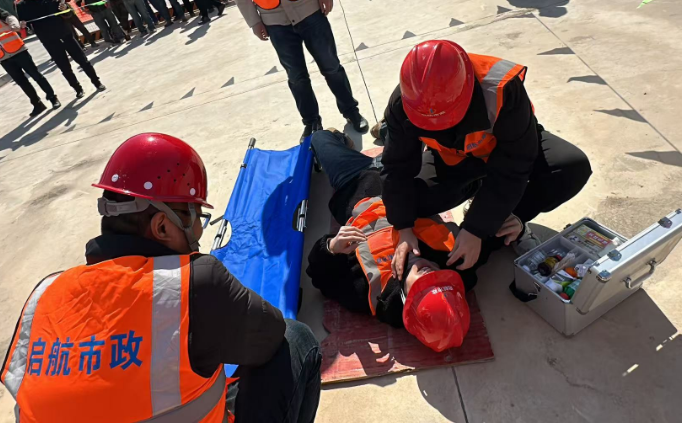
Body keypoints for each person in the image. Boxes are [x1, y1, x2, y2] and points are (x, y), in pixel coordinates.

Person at [0, 133, 322, 422]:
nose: (199, 229)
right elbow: (270, 334)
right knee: (296, 338)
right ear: (162, 227)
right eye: (196, 216)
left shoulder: (43, 295)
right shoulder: (194, 283)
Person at [378, 40, 592, 280]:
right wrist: (403, 227)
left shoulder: (501, 87)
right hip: (455, 160)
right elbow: (396, 166)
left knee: (571, 168)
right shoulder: (404, 102)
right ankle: (480, 193)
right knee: (409, 202)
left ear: (467, 90)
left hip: (507, 148)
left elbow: (515, 163)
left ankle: (511, 221)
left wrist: (476, 228)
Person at [306, 129, 494, 352]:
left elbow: (319, 277)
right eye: (438, 277)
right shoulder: (457, 265)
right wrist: (512, 225)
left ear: (406, 299)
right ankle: (389, 131)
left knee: (319, 138)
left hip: (355, 181)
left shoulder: (365, 291)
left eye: (423, 283)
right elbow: (489, 242)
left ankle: (351, 138)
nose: (430, 272)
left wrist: (330, 248)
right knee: (421, 134)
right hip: (408, 177)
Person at [236, 0, 369, 141]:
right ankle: (311, 122)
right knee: (296, 77)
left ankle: (351, 111)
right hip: (275, 22)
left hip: (309, 11)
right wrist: (254, 21)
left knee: (331, 66)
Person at [16, 0, 105, 98]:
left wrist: (65, 8)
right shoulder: (22, 6)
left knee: (83, 61)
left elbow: (68, 13)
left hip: (65, 34)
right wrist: (24, 26)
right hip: (49, 40)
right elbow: (27, 27)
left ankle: (97, 82)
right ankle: (78, 89)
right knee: (64, 67)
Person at [1, 7, 60, 116]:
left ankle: (52, 98)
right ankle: (37, 104)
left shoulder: (2, 15)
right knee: (22, 82)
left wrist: (14, 24)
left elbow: (10, 19)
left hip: (18, 50)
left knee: (35, 75)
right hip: (3, 58)